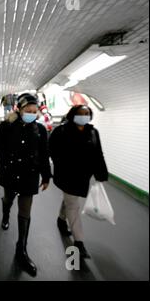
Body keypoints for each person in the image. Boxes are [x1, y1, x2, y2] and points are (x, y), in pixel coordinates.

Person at [0, 93, 52, 276]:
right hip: (10, 174)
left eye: (34, 111)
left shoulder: (40, 130)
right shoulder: (7, 126)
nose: (32, 113)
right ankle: (5, 213)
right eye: (28, 110)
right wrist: (5, 162)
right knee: (9, 199)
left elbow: (43, 154)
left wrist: (47, 176)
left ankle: (21, 250)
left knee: (25, 211)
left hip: (29, 176)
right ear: (20, 109)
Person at [49, 105, 108, 258]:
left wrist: (101, 173)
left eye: (87, 113)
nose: (84, 116)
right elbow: (51, 150)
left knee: (70, 200)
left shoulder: (93, 132)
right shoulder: (61, 131)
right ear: (73, 115)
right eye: (80, 113)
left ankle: (61, 220)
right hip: (66, 175)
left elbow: (98, 153)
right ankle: (79, 242)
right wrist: (60, 164)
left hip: (83, 176)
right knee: (73, 205)